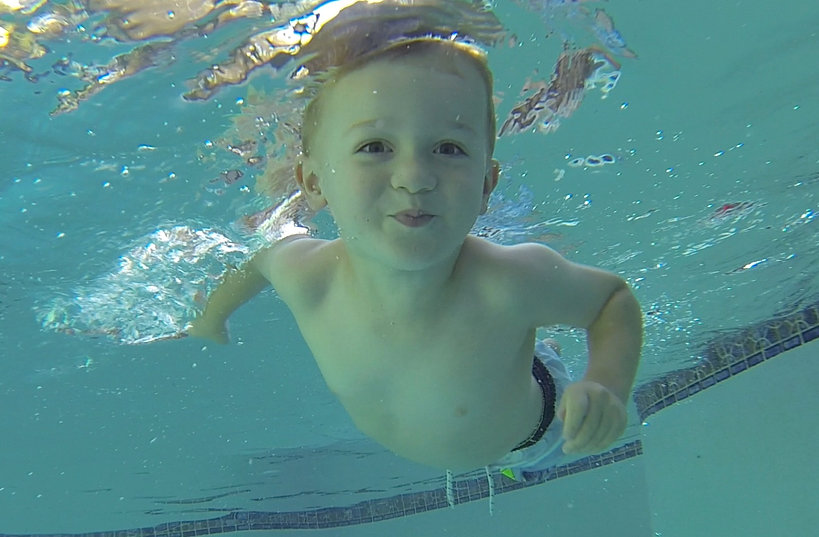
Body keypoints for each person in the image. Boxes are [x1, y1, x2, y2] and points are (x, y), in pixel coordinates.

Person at [188, 37, 642, 480]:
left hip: (538, 439)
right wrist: (210, 319)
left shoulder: (508, 280)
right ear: (313, 182)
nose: (414, 177)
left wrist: (605, 384)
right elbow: (256, 262)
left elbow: (612, 300)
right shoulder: (308, 276)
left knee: (531, 422)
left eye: (448, 148)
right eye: (375, 147)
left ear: (486, 184)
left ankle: (543, 357)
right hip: (488, 403)